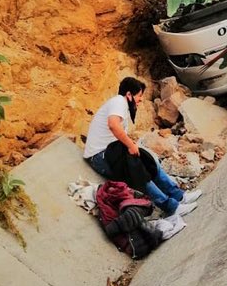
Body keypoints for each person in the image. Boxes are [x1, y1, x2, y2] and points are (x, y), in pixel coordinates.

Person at [84, 77, 201, 217]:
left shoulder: (122, 106)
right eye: (139, 96)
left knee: (149, 161)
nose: (140, 100)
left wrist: (132, 146)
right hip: (99, 157)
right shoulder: (119, 101)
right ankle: (171, 208)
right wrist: (131, 145)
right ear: (129, 95)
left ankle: (179, 196)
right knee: (137, 171)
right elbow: (113, 125)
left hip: (111, 152)